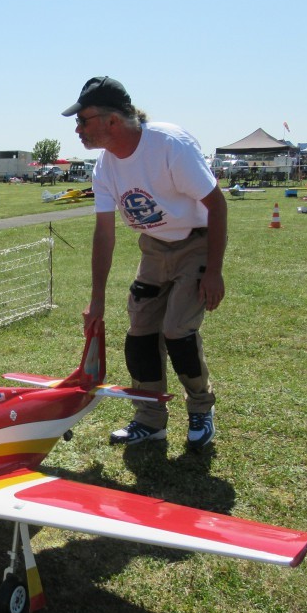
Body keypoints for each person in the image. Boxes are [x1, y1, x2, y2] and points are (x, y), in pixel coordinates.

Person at [63, 76, 227, 450]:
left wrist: (214, 270)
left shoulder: (169, 146)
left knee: (177, 331)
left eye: (83, 120)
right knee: (139, 338)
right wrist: (97, 298)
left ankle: (201, 408)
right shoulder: (104, 167)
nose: (77, 129)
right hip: (154, 249)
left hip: (195, 244)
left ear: (111, 121)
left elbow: (216, 205)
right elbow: (105, 233)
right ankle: (150, 420)